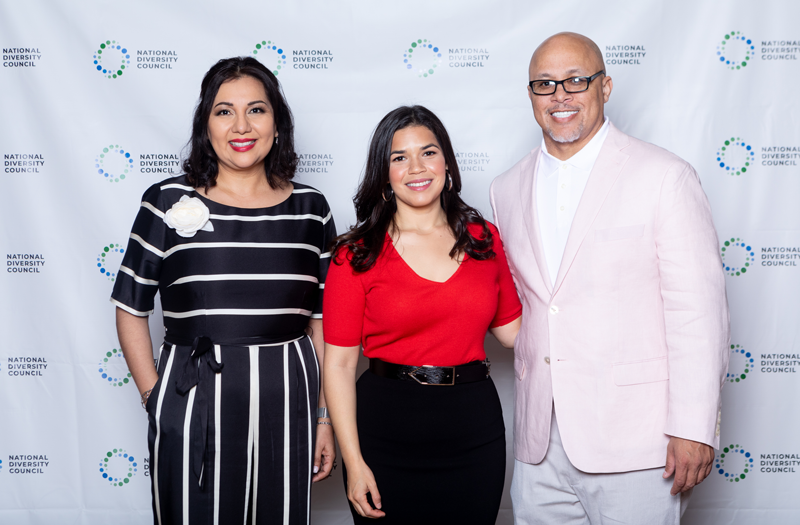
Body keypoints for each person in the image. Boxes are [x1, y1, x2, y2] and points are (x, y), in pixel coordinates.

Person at [490, 32, 730, 524]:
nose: (560, 95)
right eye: (544, 84)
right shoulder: (505, 188)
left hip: (639, 442)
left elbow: (698, 313)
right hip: (538, 444)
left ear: (606, 86)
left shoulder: (664, 176)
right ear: (530, 94)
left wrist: (694, 426)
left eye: (576, 80)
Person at [111, 56, 336, 525]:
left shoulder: (311, 208)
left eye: (256, 109)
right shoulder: (167, 200)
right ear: (206, 124)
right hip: (194, 395)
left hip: (288, 396)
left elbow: (321, 321)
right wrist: (156, 400)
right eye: (223, 110)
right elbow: (131, 307)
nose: (241, 125)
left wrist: (322, 417)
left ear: (278, 122)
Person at [322, 105, 522, 524]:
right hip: (385, 434)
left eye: (428, 152)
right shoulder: (355, 254)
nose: (416, 167)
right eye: (399, 157)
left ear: (446, 162)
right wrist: (354, 463)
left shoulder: (484, 239)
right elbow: (338, 365)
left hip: (474, 430)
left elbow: (513, 333)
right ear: (385, 174)